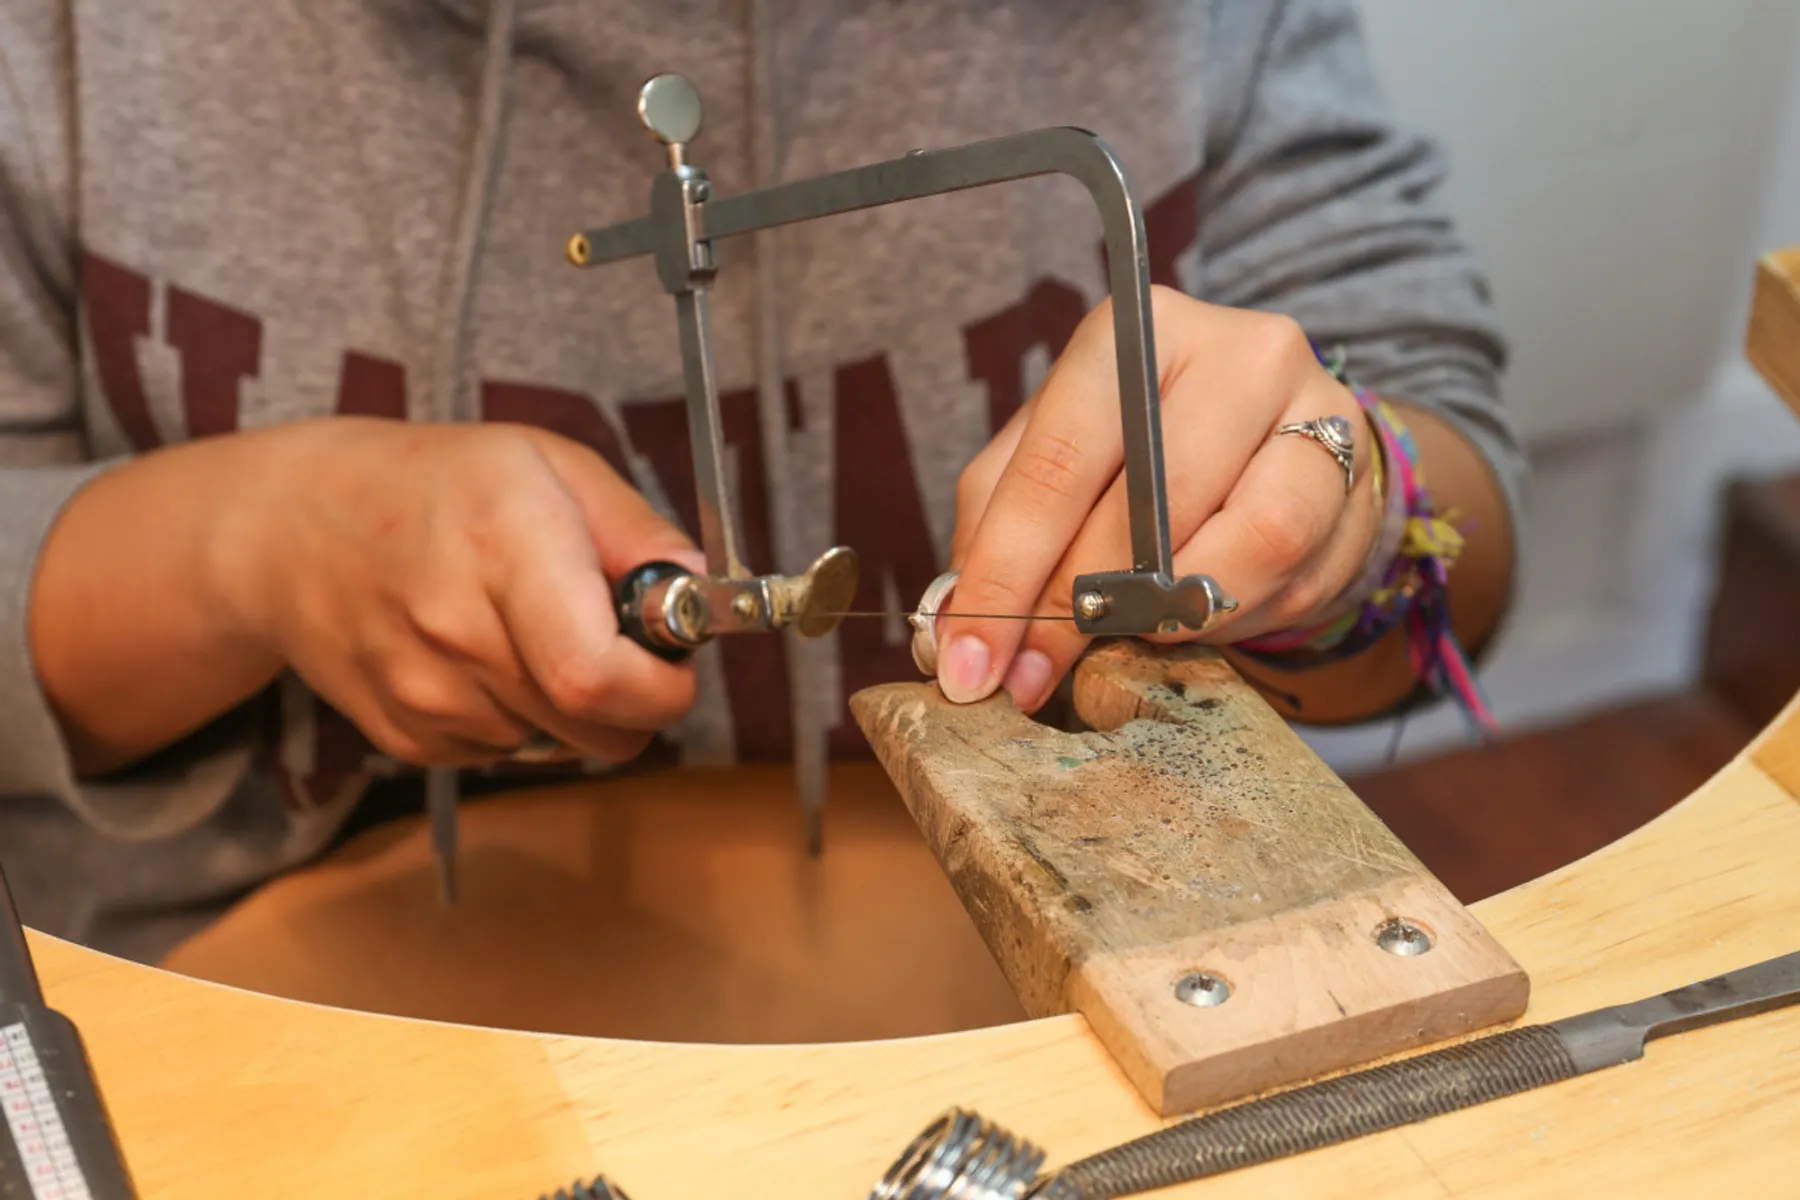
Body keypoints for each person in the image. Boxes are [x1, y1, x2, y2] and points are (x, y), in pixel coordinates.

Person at [0, 0, 1523, 964]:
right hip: (246, 1024)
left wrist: (1347, 501)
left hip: (1076, 987)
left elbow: (1449, 516)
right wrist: (245, 545)